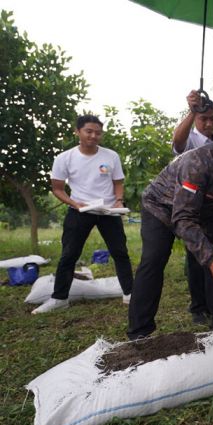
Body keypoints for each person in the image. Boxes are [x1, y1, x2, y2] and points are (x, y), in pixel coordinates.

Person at [127, 125, 213, 340]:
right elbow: (183, 218)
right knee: (154, 259)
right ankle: (139, 332)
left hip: (204, 212)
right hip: (162, 207)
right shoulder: (198, 163)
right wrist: (210, 260)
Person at [33, 115, 133, 314]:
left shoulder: (111, 156)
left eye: (98, 132)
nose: (94, 136)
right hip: (80, 210)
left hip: (107, 211)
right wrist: (74, 203)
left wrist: (119, 199)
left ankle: (130, 293)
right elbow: (58, 188)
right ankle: (59, 298)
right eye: (89, 131)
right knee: (69, 254)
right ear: (77, 132)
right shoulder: (65, 158)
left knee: (120, 252)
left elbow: (118, 182)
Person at [172, 90, 213, 326]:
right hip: (191, 211)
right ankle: (197, 307)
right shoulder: (190, 141)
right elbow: (177, 141)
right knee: (195, 261)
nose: (208, 123)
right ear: (196, 119)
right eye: (203, 119)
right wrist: (192, 110)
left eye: (212, 119)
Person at [172, 90, 213, 155]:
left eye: (212, 119)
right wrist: (193, 111)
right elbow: (178, 142)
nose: (209, 124)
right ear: (194, 119)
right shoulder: (189, 139)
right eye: (203, 119)